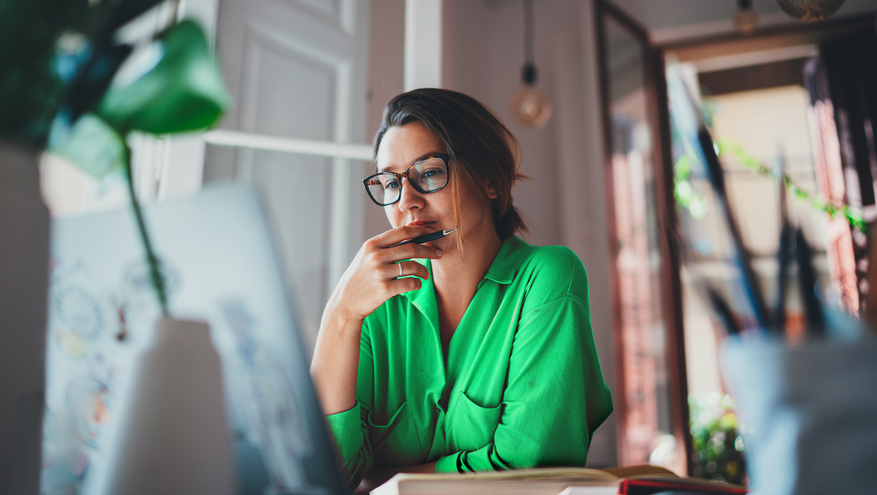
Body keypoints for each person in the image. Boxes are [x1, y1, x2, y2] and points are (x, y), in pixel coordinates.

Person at [310, 88, 613, 489]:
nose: (407, 203)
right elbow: (324, 478)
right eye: (389, 183)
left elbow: (528, 469)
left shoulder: (548, 277)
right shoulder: (372, 308)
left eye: (430, 172)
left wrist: (385, 480)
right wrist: (340, 314)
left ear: (489, 179)